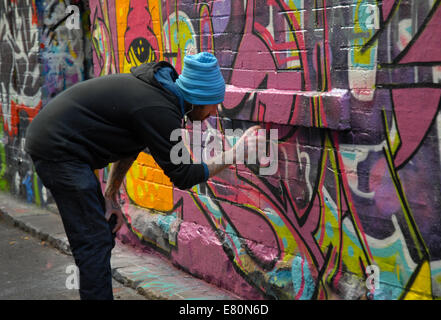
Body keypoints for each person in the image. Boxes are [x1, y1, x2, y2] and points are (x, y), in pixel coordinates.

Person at [24, 52, 263, 300]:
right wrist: (236, 153)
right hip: (58, 150)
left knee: (100, 235)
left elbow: (131, 144)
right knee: (93, 242)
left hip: (66, 148)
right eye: (213, 104)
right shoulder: (159, 110)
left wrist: (110, 194)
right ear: (197, 100)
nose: (214, 112)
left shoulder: (158, 93)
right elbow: (183, 175)